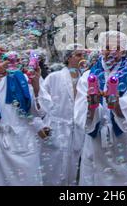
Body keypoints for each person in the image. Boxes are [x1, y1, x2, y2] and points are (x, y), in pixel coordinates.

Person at [0, 40, 51, 186]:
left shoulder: (24, 78)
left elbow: (41, 110)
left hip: (20, 143)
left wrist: (37, 87)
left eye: (3, 50)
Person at [74, 31, 127, 185]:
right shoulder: (88, 76)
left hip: (125, 144)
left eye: (118, 47)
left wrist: (117, 105)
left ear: (124, 51)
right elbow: (80, 111)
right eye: (107, 47)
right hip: (96, 144)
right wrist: (91, 106)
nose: (112, 51)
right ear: (100, 49)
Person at [40, 44, 86, 185]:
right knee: (52, 168)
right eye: (78, 55)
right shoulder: (54, 77)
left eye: (83, 55)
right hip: (56, 127)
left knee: (72, 169)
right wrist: (43, 125)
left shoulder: (85, 79)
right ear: (68, 58)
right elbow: (41, 103)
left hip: (76, 129)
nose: (82, 58)